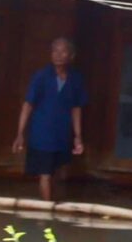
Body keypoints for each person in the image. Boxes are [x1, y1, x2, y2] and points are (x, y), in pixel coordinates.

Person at [15, 36, 87, 201]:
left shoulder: (75, 79)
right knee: (45, 174)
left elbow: (76, 108)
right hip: (41, 134)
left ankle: (51, 205)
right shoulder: (41, 77)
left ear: (71, 55)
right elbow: (28, 105)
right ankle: (47, 214)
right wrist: (20, 133)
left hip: (62, 135)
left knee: (56, 172)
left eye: (63, 51)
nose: (58, 55)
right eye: (55, 51)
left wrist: (77, 136)